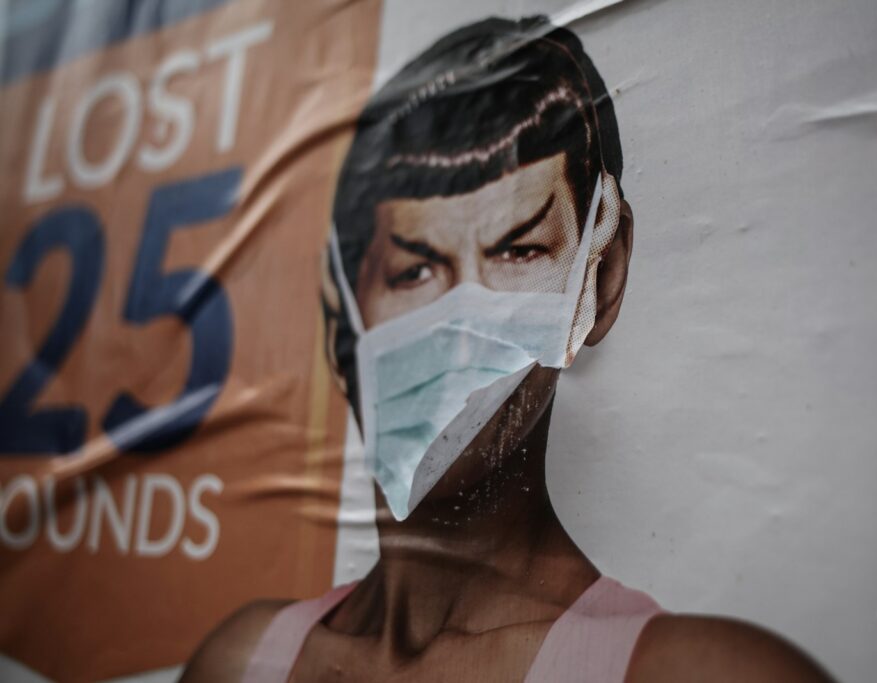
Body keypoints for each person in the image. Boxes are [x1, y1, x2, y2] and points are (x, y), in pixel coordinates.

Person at [182, 17, 833, 682]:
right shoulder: (239, 662)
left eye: (518, 251)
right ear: (341, 321)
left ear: (599, 280)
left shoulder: (703, 674)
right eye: (413, 270)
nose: (461, 324)